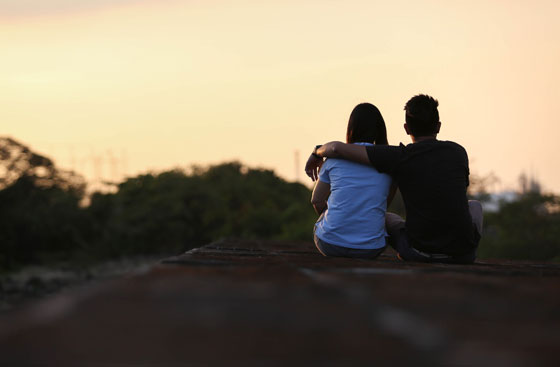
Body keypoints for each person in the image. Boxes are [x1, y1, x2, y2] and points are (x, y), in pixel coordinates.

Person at [305, 94, 483, 264]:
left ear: (406, 128)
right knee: (474, 205)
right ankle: (468, 250)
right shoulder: (458, 152)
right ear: (438, 126)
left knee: (388, 218)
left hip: (417, 251)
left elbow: (336, 149)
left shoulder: (400, 156)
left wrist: (316, 152)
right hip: (461, 254)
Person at [311, 103, 394, 259]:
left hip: (330, 244)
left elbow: (316, 200)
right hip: (370, 249)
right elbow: (383, 205)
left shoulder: (333, 160)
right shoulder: (388, 163)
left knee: (325, 219)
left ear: (350, 129)